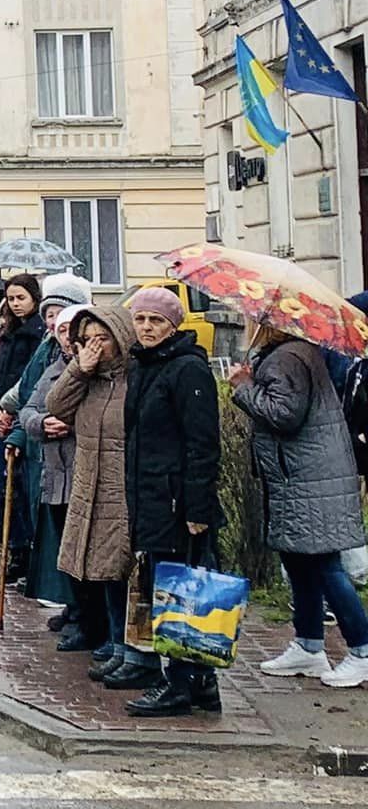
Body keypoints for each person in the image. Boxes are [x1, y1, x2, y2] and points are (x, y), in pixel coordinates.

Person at [230, 318, 368, 688]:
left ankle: (363, 649)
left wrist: (244, 389)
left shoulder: (286, 358)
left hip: (306, 477)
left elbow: (284, 415)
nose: (246, 323)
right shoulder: (288, 354)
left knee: (325, 565)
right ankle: (309, 645)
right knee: (301, 562)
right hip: (303, 475)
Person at [119, 286, 223, 717]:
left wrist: (198, 509)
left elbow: (204, 445)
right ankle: (202, 684)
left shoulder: (187, 370)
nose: (146, 328)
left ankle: (179, 683)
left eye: (156, 321)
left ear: (173, 325)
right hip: (150, 495)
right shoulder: (145, 366)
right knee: (173, 586)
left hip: (177, 501)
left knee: (182, 589)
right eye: (140, 320)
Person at [46, 304, 135, 677]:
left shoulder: (133, 378)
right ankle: (111, 639)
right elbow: (55, 404)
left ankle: (126, 644)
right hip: (89, 482)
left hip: (122, 486)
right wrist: (79, 368)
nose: (95, 347)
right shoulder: (89, 379)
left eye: (103, 339)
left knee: (121, 568)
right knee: (100, 566)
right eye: (88, 339)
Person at [3, 273, 91, 618]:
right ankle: (68, 603)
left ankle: (76, 606)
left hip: (76, 461)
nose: (57, 326)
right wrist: (33, 425)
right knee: (55, 527)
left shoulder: (89, 365)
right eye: (51, 318)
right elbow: (29, 400)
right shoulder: (51, 357)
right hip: (50, 458)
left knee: (74, 534)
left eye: (64, 320)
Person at [0, 275, 44, 583]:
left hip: (23, 419)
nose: (17, 304)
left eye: (22, 298)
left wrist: (13, 412)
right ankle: (16, 548)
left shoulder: (38, 335)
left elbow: (32, 384)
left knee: (20, 489)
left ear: (34, 297)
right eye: (12, 298)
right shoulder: (6, 332)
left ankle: (25, 554)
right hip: (2, 419)